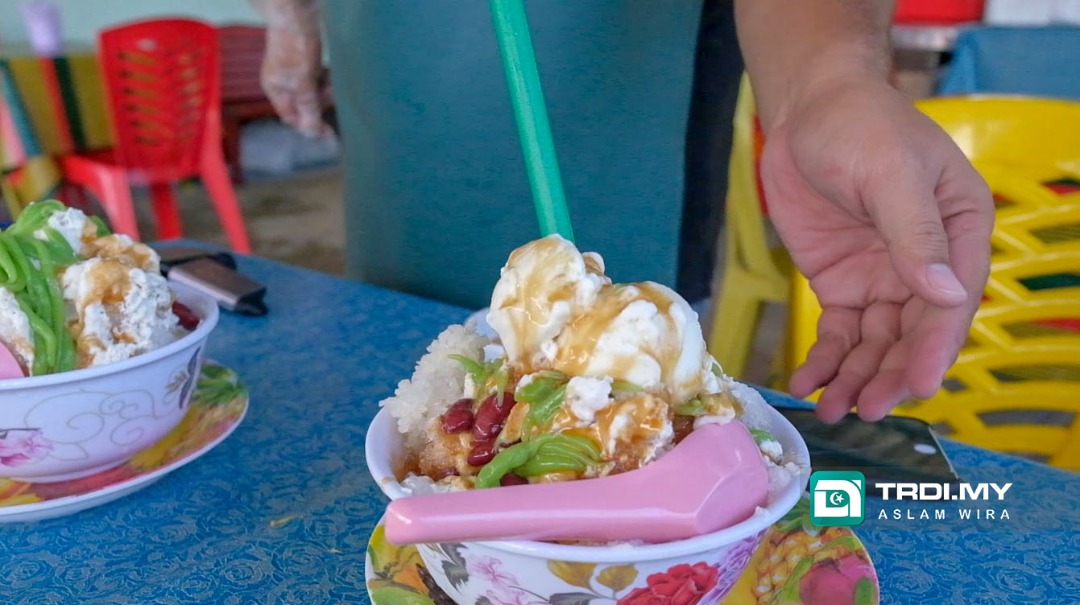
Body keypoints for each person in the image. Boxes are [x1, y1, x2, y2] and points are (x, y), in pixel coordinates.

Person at [253, 0, 993, 425]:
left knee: (640, 394)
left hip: (640, 94)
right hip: (396, 76)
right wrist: (290, 15)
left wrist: (827, 84)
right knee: (415, 389)